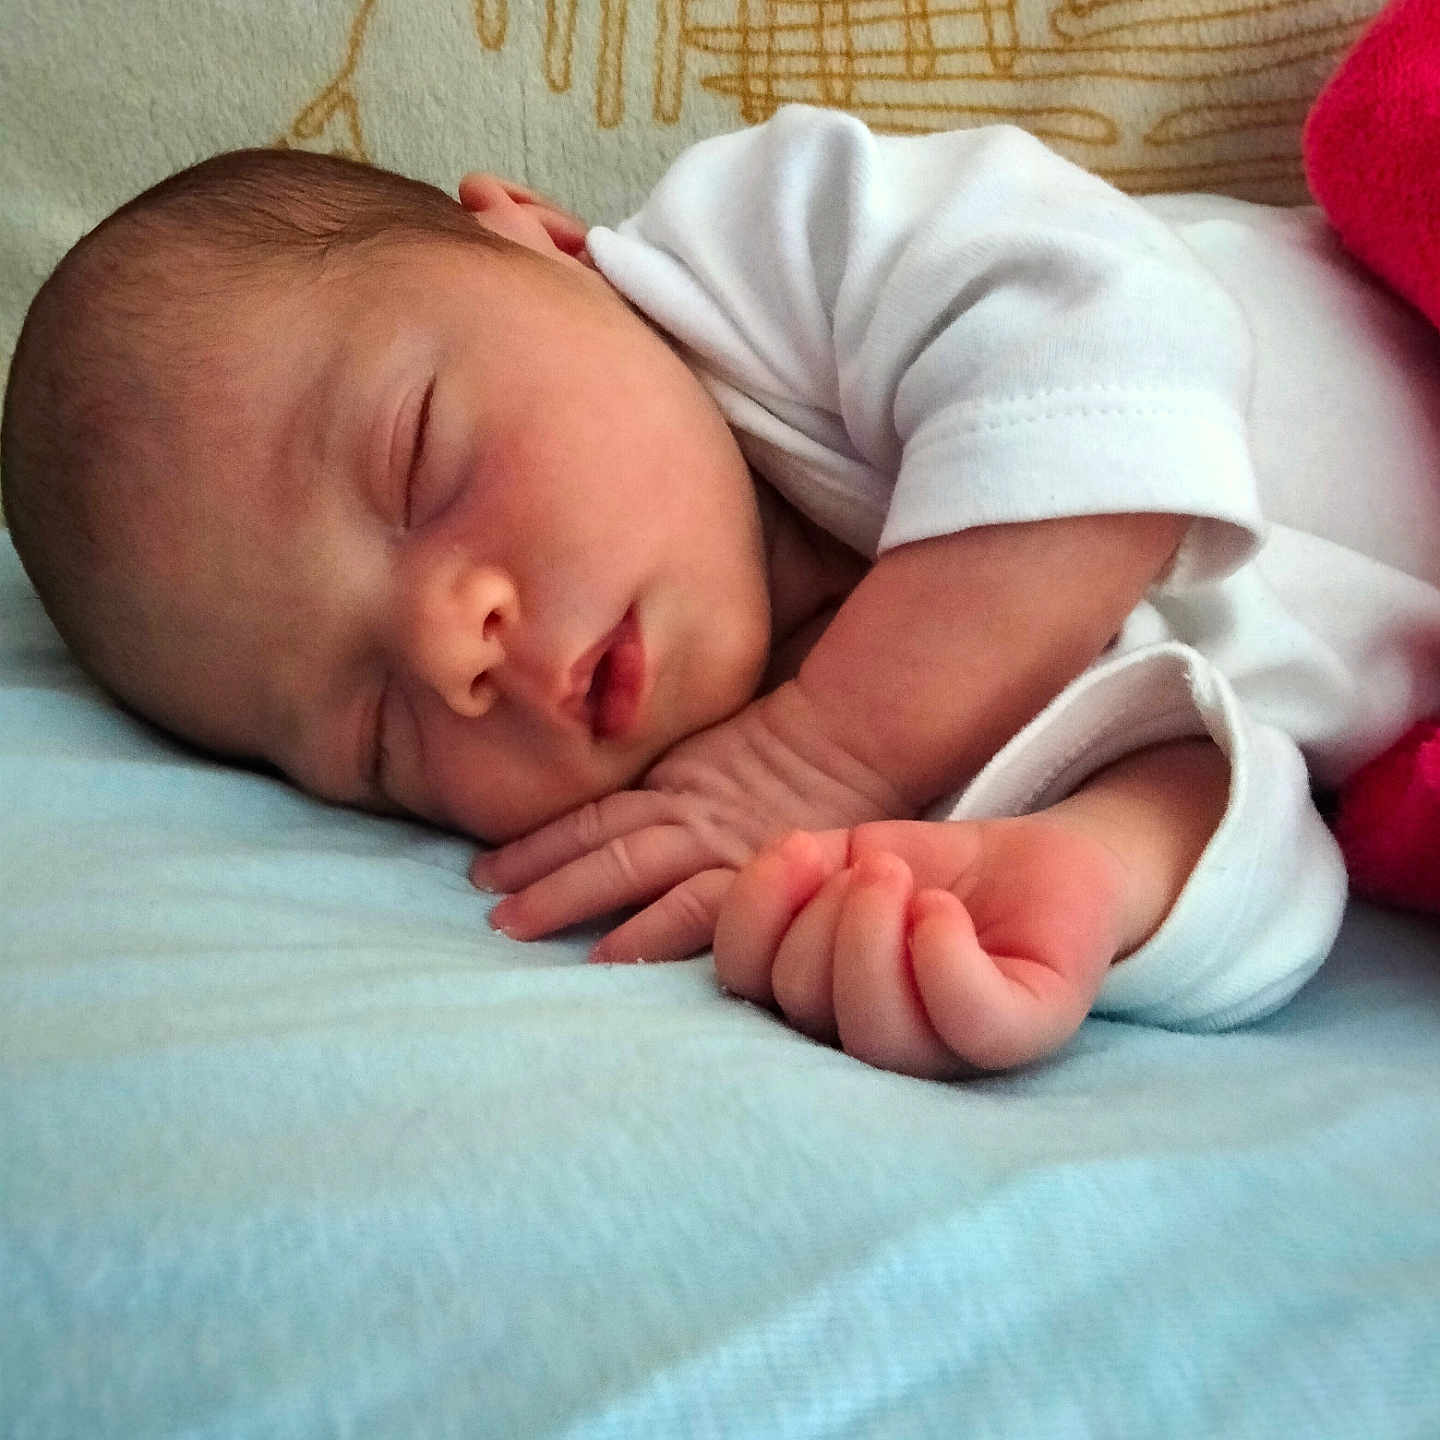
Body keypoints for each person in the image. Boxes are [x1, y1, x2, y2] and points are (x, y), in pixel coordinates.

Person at [3, 103, 1438, 1079]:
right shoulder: (768, 821)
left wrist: (832, 749)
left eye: (415, 455)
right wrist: (1085, 887)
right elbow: (1274, 850)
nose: (454, 651)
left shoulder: (773, 248)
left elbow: (1118, 331)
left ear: (539, 242)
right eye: (376, 734)